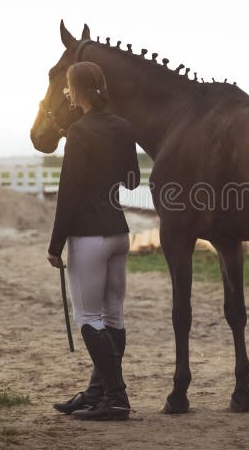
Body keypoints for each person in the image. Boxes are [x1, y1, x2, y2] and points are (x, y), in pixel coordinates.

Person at [46, 61, 140, 421]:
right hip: (119, 232)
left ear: (78, 92)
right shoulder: (124, 127)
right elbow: (132, 183)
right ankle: (97, 392)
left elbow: (68, 193)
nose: (67, 93)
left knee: (88, 317)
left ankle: (116, 399)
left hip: (89, 236)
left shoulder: (79, 131)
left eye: (69, 88)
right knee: (113, 315)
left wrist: (55, 246)